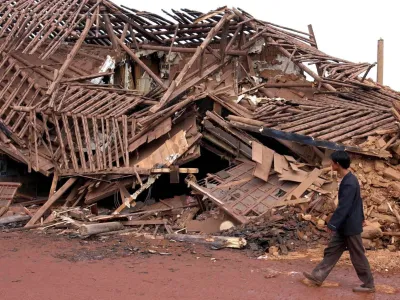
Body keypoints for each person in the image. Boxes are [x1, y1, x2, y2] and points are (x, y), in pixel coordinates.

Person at [303, 150, 375, 293]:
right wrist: (361, 218)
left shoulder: (349, 182)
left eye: (332, 162)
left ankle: (368, 284)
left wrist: (333, 224)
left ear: (337, 164)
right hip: (346, 225)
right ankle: (318, 275)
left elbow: (345, 206)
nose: (330, 164)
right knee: (332, 251)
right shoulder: (350, 179)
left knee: (357, 255)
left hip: (349, 226)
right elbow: (358, 201)